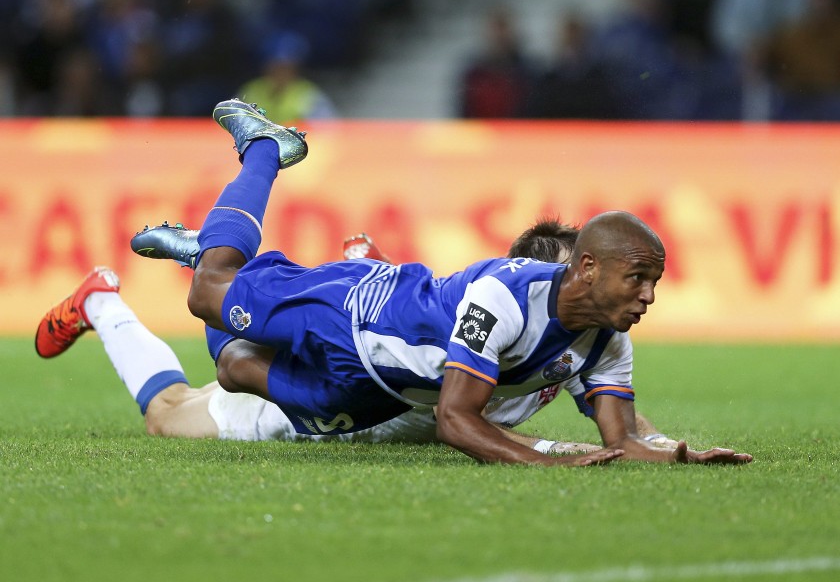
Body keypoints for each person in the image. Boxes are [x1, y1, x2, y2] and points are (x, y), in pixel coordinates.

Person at [126, 98, 752, 467]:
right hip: (354, 315)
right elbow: (456, 420)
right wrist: (547, 464)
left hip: (377, 388)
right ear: (587, 268)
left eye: (653, 282)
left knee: (244, 371)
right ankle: (264, 148)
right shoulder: (505, 298)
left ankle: (213, 251)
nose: (648, 297)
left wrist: (678, 455)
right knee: (209, 293)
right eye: (638, 279)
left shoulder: (607, 339)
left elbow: (624, 438)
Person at [35, 228, 668, 455]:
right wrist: (553, 450)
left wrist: (664, 447)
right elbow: (457, 418)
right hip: (324, 410)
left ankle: (216, 271)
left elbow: (620, 417)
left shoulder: (580, 341)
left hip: (359, 392)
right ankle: (108, 300)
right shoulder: (500, 319)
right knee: (172, 409)